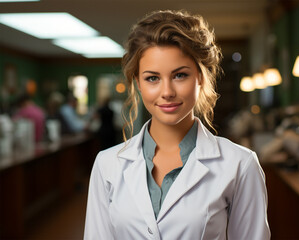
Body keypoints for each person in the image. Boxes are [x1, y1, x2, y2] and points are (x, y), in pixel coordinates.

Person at [84, 10, 270, 239]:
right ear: (138, 84)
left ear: (200, 78)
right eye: (152, 78)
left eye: (180, 75)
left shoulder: (240, 164)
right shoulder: (107, 165)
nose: (167, 92)